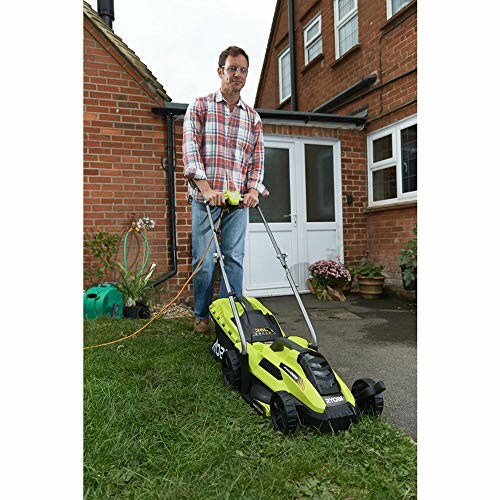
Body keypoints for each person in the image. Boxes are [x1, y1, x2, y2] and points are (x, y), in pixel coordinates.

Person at [182, 45, 268, 334]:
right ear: (221, 71)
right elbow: (191, 151)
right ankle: (202, 315)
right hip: (205, 199)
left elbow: (257, 160)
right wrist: (206, 189)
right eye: (233, 69)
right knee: (204, 261)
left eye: (243, 70)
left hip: (237, 203)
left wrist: (253, 191)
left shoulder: (253, 118)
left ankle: (229, 315)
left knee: (234, 258)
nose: (238, 75)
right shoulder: (200, 106)